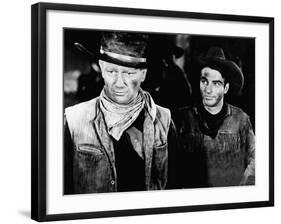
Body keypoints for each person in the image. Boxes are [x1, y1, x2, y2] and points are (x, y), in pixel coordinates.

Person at [64, 32, 180, 194]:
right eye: (111, 72)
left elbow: (174, 182)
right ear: (102, 69)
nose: (119, 83)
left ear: (143, 74)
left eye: (129, 73)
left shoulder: (163, 118)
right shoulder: (74, 120)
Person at [176, 47, 255, 188]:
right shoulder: (183, 119)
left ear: (226, 88)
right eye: (204, 81)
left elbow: (255, 160)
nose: (208, 89)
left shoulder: (241, 119)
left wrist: (243, 191)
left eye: (216, 83)